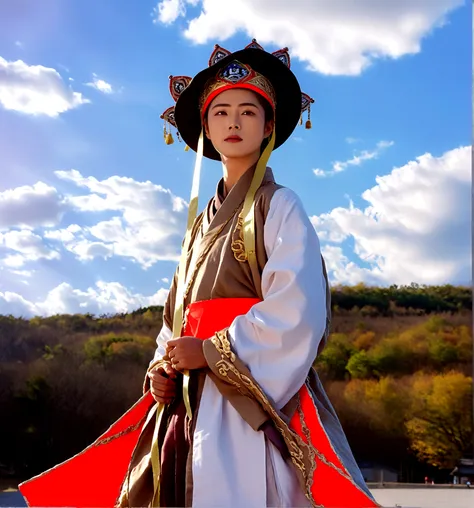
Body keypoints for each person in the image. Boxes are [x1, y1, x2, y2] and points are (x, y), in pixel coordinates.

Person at [18, 40, 380, 508]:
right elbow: (176, 316)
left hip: (246, 394)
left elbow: (298, 309)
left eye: (248, 112)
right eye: (221, 112)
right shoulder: (197, 226)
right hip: (186, 395)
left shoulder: (280, 205)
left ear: (269, 126)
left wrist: (210, 350)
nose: (233, 122)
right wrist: (161, 365)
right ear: (204, 128)